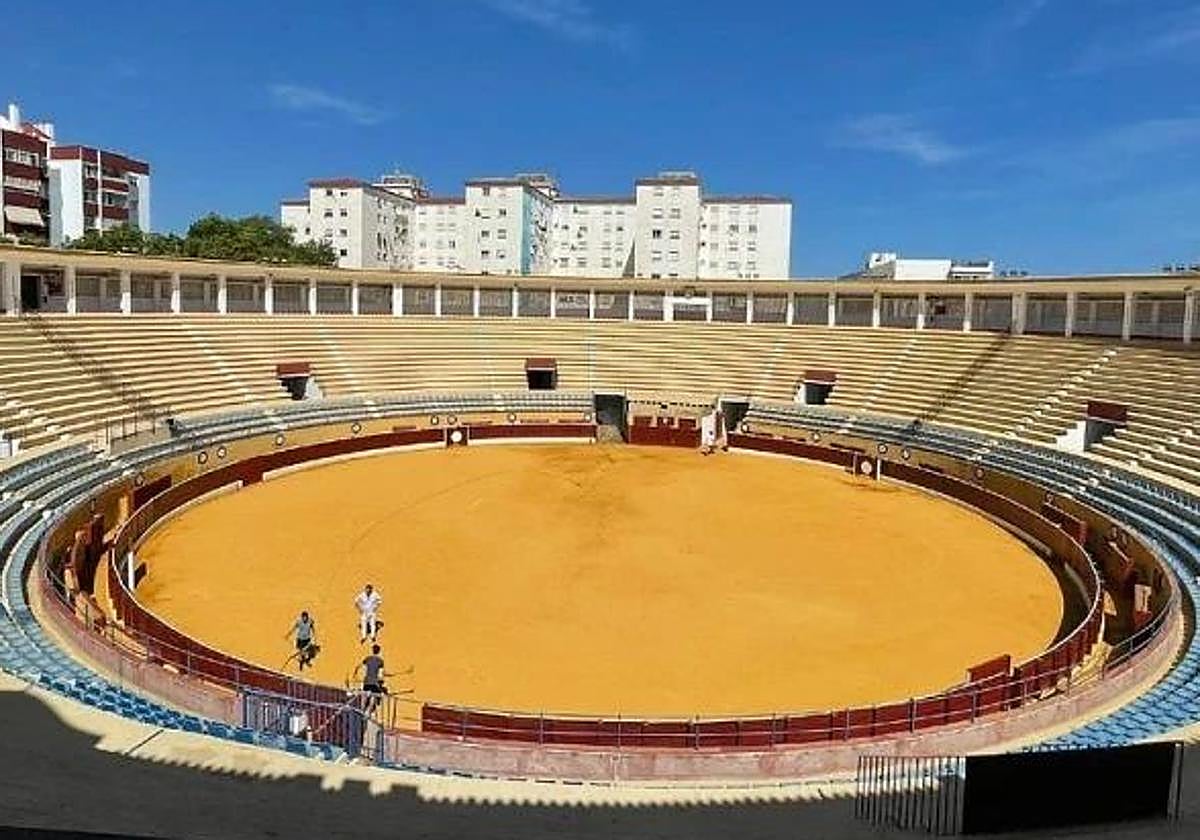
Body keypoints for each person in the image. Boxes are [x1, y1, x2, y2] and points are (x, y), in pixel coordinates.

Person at [354, 644, 387, 715]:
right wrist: (382, 681)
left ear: (372, 650)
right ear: (379, 651)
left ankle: (362, 712)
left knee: (365, 697)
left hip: (366, 682)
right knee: (374, 697)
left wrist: (355, 674)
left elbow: (358, 666)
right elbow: (381, 674)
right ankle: (369, 713)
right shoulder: (380, 661)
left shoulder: (368, 658)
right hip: (374, 683)